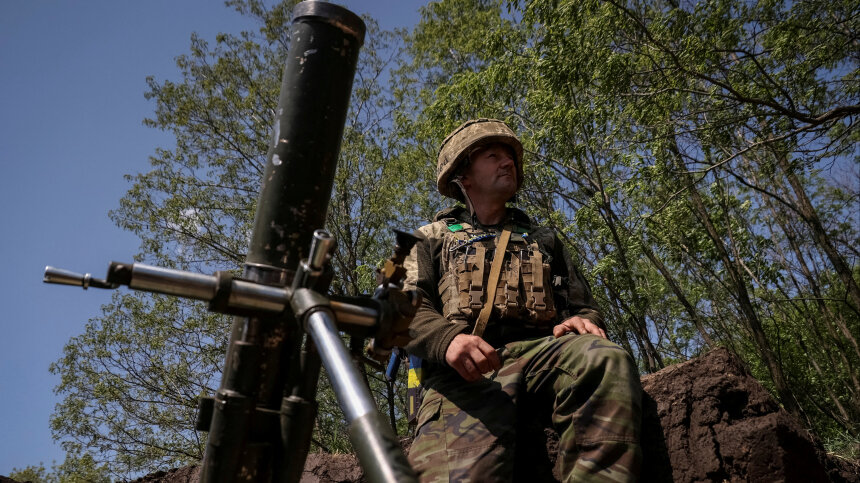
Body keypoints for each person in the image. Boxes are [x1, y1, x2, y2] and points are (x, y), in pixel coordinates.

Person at [403, 119, 642, 482]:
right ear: (462, 176)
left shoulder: (544, 240)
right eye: (492, 155)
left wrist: (581, 321)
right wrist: (447, 340)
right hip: (464, 375)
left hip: (544, 357)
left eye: (510, 157)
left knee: (603, 357)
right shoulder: (424, 238)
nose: (508, 163)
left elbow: (583, 307)